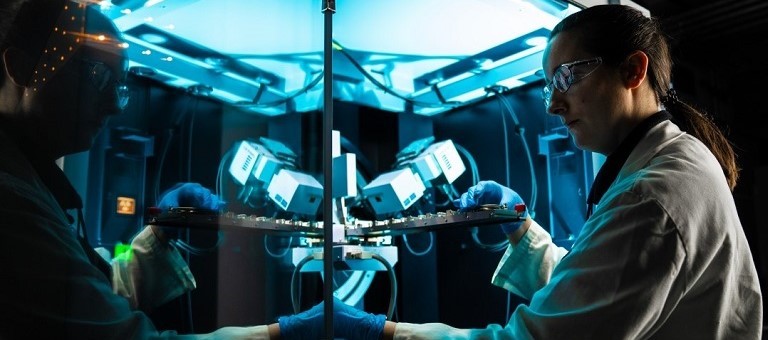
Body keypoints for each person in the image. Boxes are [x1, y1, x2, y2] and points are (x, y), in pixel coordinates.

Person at [336, 4, 763, 339]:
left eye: (566, 77)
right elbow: (593, 290)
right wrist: (520, 227)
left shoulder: (652, 195)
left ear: (633, 70)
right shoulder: (666, 162)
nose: (552, 105)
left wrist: (376, 331)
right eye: (548, 85)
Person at [0, 1, 321, 338]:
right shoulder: (10, 203)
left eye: (119, 88)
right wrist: (285, 333)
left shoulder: (30, 178)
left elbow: (87, 300)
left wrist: (162, 231)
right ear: (22, 67)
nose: (113, 106)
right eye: (97, 76)